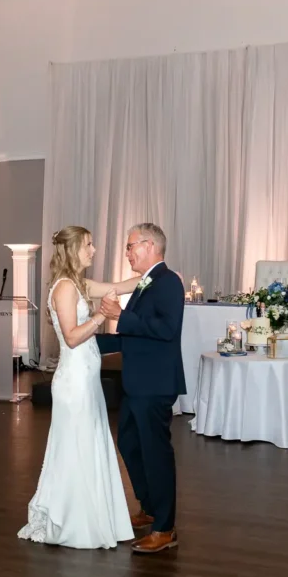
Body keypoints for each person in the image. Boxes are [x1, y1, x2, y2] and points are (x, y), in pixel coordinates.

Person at [18, 226, 142, 550]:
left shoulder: (79, 283)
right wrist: (101, 315)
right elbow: (72, 337)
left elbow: (119, 286)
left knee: (90, 444)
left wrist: (152, 275)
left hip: (87, 380)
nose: (94, 250)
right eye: (88, 244)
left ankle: (96, 516)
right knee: (76, 448)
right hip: (74, 383)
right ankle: (74, 521)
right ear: (73, 249)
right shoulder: (64, 288)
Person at [96, 223, 186, 554]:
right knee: (130, 444)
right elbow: (132, 336)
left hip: (155, 383)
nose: (127, 252)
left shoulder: (168, 281)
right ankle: (149, 506)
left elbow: (167, 329)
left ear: (150, 246)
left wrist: (120, 315)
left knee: (156, 453)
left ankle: (165, 528)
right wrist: (88, 340)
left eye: (130, 246)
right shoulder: (146, 283)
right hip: (137, 383)